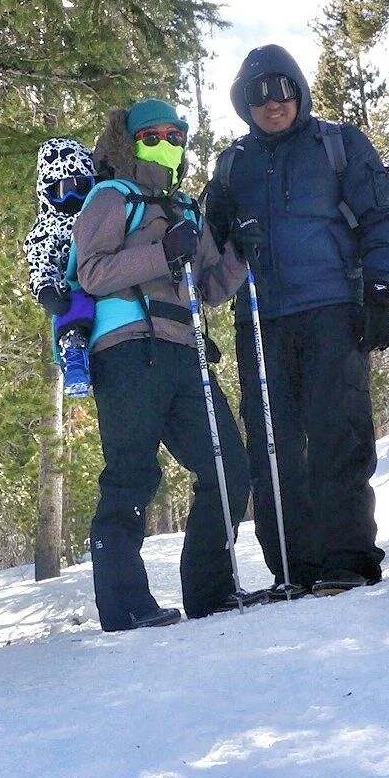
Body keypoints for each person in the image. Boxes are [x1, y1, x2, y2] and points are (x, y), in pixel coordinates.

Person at [207, 44, 389, 596]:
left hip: (332, 311)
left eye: (282, 90)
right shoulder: (233, 165)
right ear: (244, 103)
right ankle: (294, 566)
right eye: (258, 95)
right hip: (261, 321)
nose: (272, 103)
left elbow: (382, 216)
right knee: (272, 444)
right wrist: (215, 228)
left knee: (337, 434)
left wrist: (380, 291)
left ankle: (348, 558)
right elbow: (208, 247)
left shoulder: (338, 145)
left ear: (299, 92)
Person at [71, 98, 251, 631]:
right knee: (131, 477)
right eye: (152, 137)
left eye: (176, 137)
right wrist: (162, 253)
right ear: (128, 143)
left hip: (184, 351)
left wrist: (240, 255)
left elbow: (210, 287)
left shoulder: (187, 209)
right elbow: (92, 273)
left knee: (228, 467)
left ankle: (211, 591)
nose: (166, 145)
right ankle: (125, 606)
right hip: (127, 351)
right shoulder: (111, 197)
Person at [23, 137, 97, 394]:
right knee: (71, 307)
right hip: (73, 285)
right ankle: (74, 356)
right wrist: (45, 289)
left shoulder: (101, 214)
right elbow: (40, 261)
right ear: (47, 194)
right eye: (62, 190)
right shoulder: (47, 228)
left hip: (107, 277)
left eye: (79, 187)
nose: (72, 197)